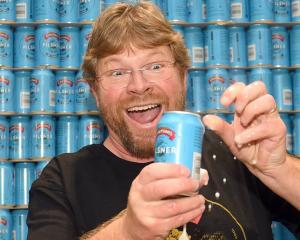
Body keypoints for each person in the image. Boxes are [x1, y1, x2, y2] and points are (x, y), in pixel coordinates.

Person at [27, 2, 300, 240]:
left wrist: (279, 169)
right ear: (95, 91)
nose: (139, 85)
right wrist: (127, 233)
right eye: (118, 72)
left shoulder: (240, 156)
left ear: (183, 76)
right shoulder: (63, 180)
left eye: (155, 66)